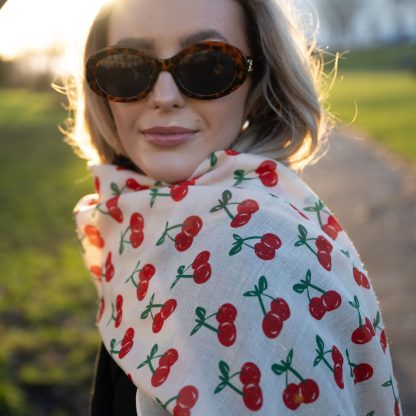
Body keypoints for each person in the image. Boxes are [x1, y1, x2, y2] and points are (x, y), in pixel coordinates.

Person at [66, 0, 402, 414]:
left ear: (258, 84)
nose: (164, 97)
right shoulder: (139, 223)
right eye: (126, 67)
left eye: (208, 65)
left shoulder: (250, 246)